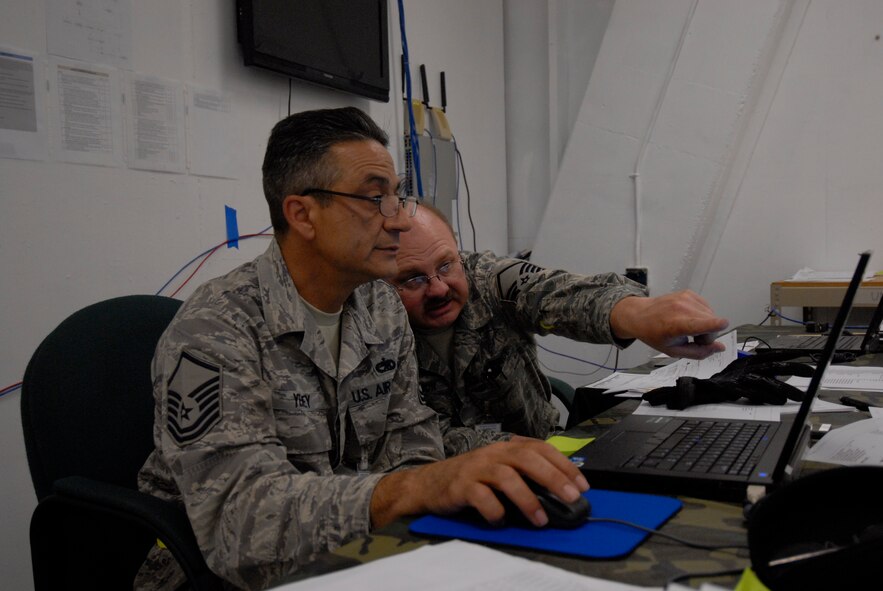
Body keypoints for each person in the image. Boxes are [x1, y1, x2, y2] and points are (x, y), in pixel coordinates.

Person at [135, 107, 588, 591]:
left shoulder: (378, 305)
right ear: (302, 214)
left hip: (357, 553)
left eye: (398, 196)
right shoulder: (217, 329)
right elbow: (242, 527)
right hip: (220, 577)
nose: (397, 220)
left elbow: (412, 441)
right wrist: (412, 492)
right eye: (376, 198)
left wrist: (425, 524)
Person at [390, 203, 730, 456]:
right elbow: (405, 441)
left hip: (547, 457)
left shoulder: (488, 278)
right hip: (443, 484)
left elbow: (554, 292)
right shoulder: (375, 326)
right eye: (412, 278)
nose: (437, 289)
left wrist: (635, 312)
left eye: (446, 265)